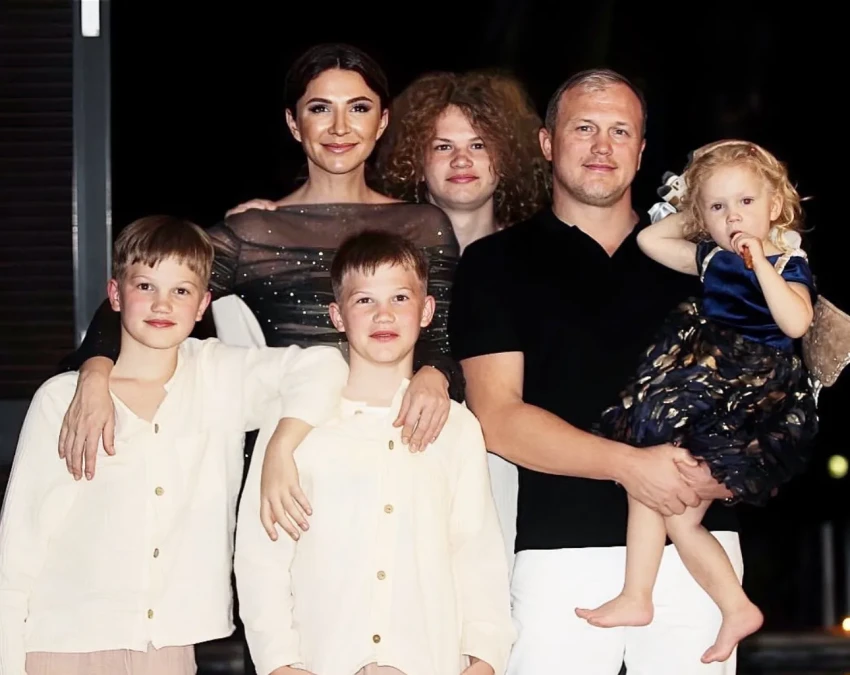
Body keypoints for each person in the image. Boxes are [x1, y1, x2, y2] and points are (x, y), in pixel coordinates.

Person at [54, 43, 462, 543]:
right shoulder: (253, 232)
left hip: (399, 441)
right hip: (287, 457)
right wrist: (94, 373)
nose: (339, 127)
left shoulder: (423, 225)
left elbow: (445, 336)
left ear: (382, 121)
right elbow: (139, 294)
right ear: (294, 123)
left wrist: (436, 375)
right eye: (320, 108)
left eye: (358, 108)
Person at [448, 68, 743, 674]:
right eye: (584, 128)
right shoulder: (494, 263)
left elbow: (760, 394)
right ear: (547, 142)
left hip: (699, 551)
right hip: (559, 555)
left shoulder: (706, 265)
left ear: (642, 149)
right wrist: (631, 466)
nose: (602, 146)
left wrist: (730, 472)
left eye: (620, 131)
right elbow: (498, 417)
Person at [0, 216, 348, 675]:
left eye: (181, 291)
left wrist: (281, 447)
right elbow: (19, 548)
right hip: (61, 642)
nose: (162, 304)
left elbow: (324, 366)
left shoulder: (220, 376)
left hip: (167, 645)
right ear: (115, 295)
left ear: (203, 304)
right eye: (145, 286)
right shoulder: (62, 400)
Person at [575, 140, 818, 662]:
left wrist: (762, 262)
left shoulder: (788, 262)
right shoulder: (712, 256)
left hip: (748, 392)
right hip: (703, 382)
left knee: (661, 477)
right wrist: (697, 203)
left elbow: (796, 323)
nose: (734, 216)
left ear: (774, 206)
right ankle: (710, 603)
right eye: (719, 206)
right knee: (662, 493)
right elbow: (651, 239)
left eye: (746, 202)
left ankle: (650, 596)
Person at [234, 230, 515, 675]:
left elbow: (475, 551)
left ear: (426, 311)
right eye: (364, 300)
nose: (384, 314)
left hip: (427, 660)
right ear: (337, 315)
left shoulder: (458, 428)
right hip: (322, 659)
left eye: (400, 298)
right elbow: (262, 557)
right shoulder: (293, 425)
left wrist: (485, 656)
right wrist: (279, 661)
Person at [375, 70, 550, 252]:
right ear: (415, 162)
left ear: (506, 158)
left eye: (478, 146)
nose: (461, 160)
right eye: (443, 147)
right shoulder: (382, 256)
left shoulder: (538, 255)